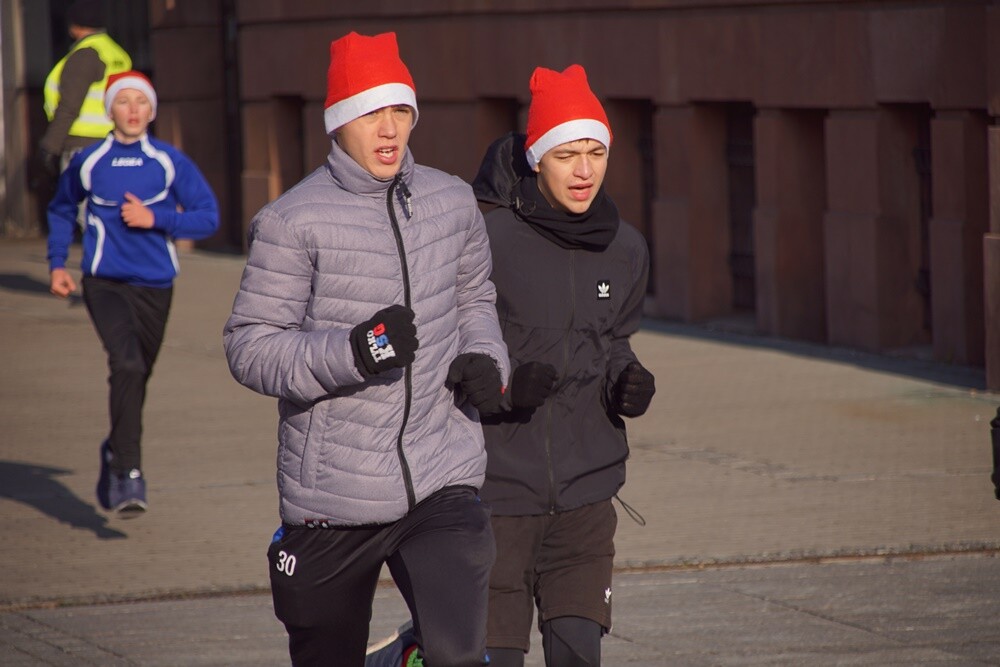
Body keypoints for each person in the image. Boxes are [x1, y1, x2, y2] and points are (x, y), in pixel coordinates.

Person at [223, 31, 510, 666]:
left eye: (399, 111)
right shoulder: (291, 222)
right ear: (338, 122)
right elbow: (249, 347)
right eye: (369, 112)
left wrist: (488, 361)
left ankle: (422, 649)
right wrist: (356, 352)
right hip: (334, 495)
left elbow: (476, 299)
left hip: (440, 474)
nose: (388, 129)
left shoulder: (452, 200)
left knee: (461, 655)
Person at [473, 64, 656, 666]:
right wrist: (505, 387)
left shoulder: (625, 247)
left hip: (586, 497)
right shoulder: (488, 240)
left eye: (596, 152)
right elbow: (456, 350)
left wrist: (626, 381)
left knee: (578, 655)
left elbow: (614, 340)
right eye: (567, 154)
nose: (584, 171)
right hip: (498, 497)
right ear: (537, 159)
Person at [47, 70, 220, 516]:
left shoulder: (168, 160)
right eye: (123, 102)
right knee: (125, 363)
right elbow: (62, 208)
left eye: (140, 102)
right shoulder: (88, 161)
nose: (133, 110)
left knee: (136, 376)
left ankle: (113, 451)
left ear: (152, 110)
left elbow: (208, 216)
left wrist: (157, 219)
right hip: (104, 282)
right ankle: (130, 474)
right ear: (111, 110)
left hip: (156, 285)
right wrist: (56, 264)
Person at [39, 0, 131, 179]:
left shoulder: (85, 55)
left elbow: (69, 104)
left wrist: (50, 145)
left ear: (74, 26)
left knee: (81, 204)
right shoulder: (116, 53)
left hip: (83, 145)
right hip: (114, 141)